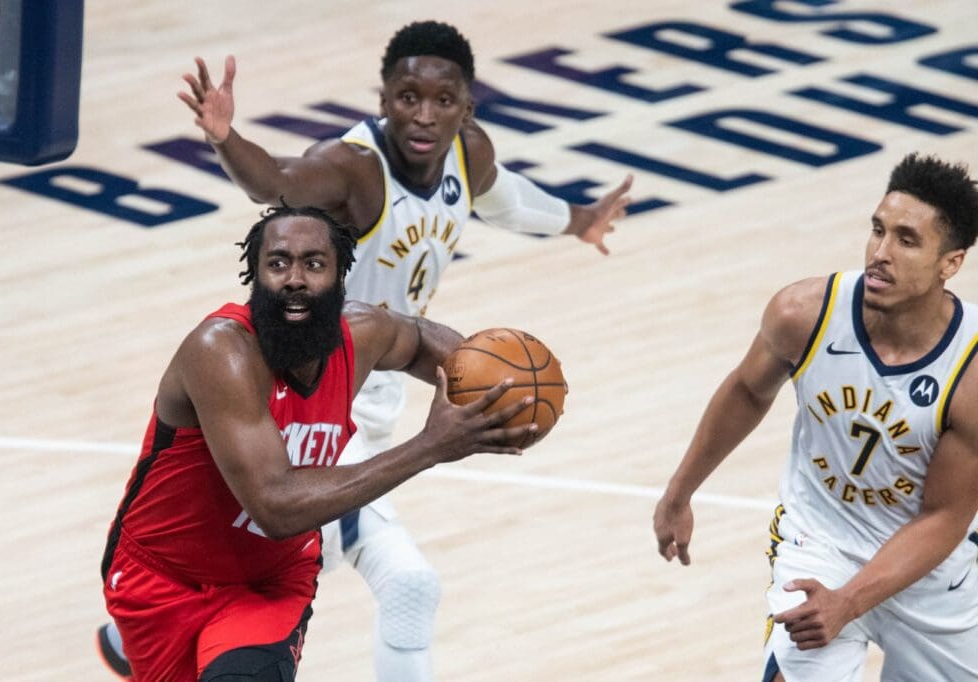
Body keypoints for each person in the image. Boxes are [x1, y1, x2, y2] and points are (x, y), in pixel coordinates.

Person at [97, 19, 633, 682]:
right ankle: (157, 616)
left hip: (362, 392)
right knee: (407, 585)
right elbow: (277, 184)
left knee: (262, 541)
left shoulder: (468, 155)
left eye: (443, 102)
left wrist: (575, 227)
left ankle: (155, 628)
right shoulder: (351, 170)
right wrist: (226, 138)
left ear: (466, 108)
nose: (423, 115)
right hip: (310, 403)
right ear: (383, 99)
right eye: (408, 97)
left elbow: (503, 200)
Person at [100, 205, 538, 681]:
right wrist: (430, 446)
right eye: (277, 263)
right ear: (255, 275)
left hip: (270, 583)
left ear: (339, 275)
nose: (294, 279)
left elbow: (415, 339)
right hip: (164, 578)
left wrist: (494, 387)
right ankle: (125, 644)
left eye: (313, 263)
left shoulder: (364, 334)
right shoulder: (222, 352)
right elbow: (275, 508)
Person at [652, 152, 978, 681]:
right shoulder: (804, 314)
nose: (880, 253)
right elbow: (747, 393)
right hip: (820, 541)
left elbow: (942, 518)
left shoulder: (971, 372)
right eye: (878, 230)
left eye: (907, 240)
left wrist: (849, 601)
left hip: (928, 571)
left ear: (951, 263)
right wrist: (679, 492)